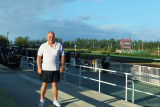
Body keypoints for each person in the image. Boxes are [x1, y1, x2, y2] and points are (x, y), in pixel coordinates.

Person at [37, 31, 65, 107]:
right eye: (49, 37)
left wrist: (62, 66)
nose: (51, 38)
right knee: (44, 85)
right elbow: (39, 57)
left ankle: (55, 100)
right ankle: (41, 100)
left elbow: (62, 56)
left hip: (55, 69)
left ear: (54, 37)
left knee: (54, 85)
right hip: (45, 69)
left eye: (52, 37)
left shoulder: (59, 45)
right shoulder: (43, 46)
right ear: (46, 37)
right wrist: (39, 67)